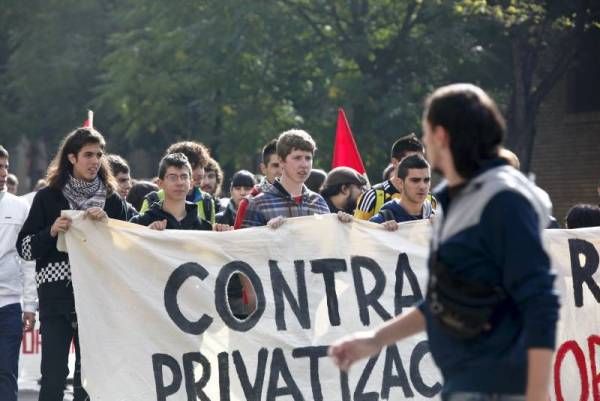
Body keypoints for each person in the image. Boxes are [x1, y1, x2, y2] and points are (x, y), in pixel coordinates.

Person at [329, 83, 559, 401]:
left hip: (499, 387)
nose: (423, 143)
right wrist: (375, 339)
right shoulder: (453, 200)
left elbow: (540, 299)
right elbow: (445, 302)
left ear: (440, 136)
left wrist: (536, 393)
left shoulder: (504, 199)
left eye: (425, 132)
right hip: (465, 382)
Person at [16, 127, 130, 401]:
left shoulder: (112, 201)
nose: (95, 161)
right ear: (71, 157)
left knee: (88, 381)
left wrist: (108, 226)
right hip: (56, 301)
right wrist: (51, 231)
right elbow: (25, 248)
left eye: (99, 155)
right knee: (53, 379)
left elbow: (129, 249)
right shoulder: (48, 198)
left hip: (97, 299)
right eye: (88, 154)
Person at [0, 145, 36, 401]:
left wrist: (30, 306)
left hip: (10, 305)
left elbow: (28, 260)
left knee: (6, 372)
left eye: (5, 167)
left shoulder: (20, 207)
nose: (3, 173)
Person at [241, 129, 330, 228]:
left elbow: (329, 241)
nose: (304, 164)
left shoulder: (319, 202)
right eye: (297, 158)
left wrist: (344, 226)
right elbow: (246, 243)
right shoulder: (258, 204)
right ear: (281, 161)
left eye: (308, 158)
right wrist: (268, 232)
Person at [130, 153, 212, 231]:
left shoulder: (205, 228)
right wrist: (147, 234)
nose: (179, 182)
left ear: (191, 183)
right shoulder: (140, 223)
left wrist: (222, 232)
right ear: (160, 183)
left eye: (184, 177)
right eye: (173, 177)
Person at [140, 141, 216, 224]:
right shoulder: (152, 200)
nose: (200, 173)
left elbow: (211, 234)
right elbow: (140, 232)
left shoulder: (207, 202)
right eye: (193, 166)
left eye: (201, 166)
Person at [354, 133, 425, 220]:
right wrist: (381, 227)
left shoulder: (429, 199)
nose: (417, 167)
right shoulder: (372, 197)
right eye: (410, 162)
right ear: (395, 162)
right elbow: (357, 231)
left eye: (420, 162)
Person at [370, 154, 434, 229]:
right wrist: (379, 232)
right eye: (415, 180)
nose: (422, 186)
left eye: (426, 180)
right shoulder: (380, 222)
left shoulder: (438, 219)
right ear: (400, 183)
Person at [233, 138, 283, 229]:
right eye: (275, 165)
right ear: (263, 168)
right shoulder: (249, 203)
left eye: (284, 165)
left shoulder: (308, 198)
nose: (281, 171)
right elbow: (242, 241)